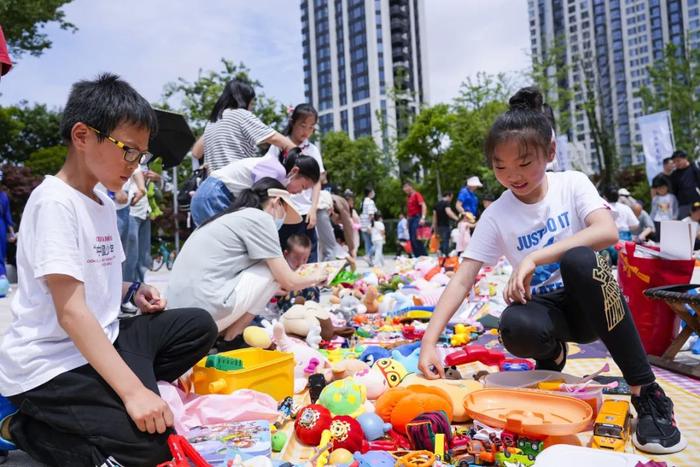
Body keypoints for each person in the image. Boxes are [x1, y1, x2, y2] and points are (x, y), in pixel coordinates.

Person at [418, 86, 686, 455]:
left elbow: (605, 231)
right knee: (512, 322)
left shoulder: (571, 183)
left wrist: (534, 258)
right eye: (500, 166)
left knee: (579, 259)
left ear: (550, 152)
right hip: (548, 313)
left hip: (594, 304)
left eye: (524, 163)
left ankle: (647, 392)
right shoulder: (496, 214)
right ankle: (553, 355)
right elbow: (463, 277)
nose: (513, 175)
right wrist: (428, 342)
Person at [0, 73, 218, 466]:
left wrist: (134, 291)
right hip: (51, 361)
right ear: (82, 136)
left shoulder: (101, 201)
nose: (135, 164)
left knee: (200, 325)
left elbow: (99, 279)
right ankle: (19, 425)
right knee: (152, 446)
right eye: (129, 150)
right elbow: (71, 311)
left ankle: (115, 394)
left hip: (106, 337)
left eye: (142, 155)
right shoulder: (54, 202)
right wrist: (133, 392)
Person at [167, 178, 326, 352]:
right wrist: (317, 277)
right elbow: (288, 281)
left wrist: (271, 287)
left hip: (180, 316)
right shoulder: (260, 218)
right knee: (273, 271)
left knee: (273, 274)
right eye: (284, 211)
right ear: (276, 201)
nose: (282, 219)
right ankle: (231, 338)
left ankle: (224, 335)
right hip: (204, 312)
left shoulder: (231, 216)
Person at [190, 147, 319, 226]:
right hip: (214, 196)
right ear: (295, 171)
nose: (299, 192)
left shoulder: (276, 170)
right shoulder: (277, 171)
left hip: (210, 194)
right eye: (303, 187)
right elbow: (259, 202)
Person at [192, 79, 296, 172]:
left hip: (212, 186)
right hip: (233, 185)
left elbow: (196, 153)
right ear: (244, 100)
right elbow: (277, 139)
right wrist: (302, 156)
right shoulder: (241, 114)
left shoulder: (213, 121)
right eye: (252, 102)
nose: (252, 107)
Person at [270, 104, 325, 263]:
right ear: (292, 122)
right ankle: (285, 286)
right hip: (284, 212)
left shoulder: (312, 150)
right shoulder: (279, 145)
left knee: (309, 253)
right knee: (282, 252)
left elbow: (317, 182)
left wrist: (313, 209)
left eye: (311, 127)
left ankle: (310, 287)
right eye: (302, 125)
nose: (306, 131)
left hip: (304, 211)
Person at [670, 150, 700, 219]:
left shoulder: (694, 167)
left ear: (685, 158)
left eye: (678, 160)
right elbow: (674, 190)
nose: (676, 163)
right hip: (683, 205)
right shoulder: (674, 174)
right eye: (674, 162)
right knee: (685, 225)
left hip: (696, 201)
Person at [403, 181, 428, 257]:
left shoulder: (416, 195)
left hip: (417, 218)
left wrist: (423, 218)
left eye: (406, 187)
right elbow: (409, 211)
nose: (404, 189)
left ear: (410, 187)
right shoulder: (408, 197)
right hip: (411, 219)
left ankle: (424, 256)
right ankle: (417, 257)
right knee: (412, 240)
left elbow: (423, 205)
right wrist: (407, 222)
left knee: (416, 238)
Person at [433, 191, 460, 256]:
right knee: (446, 242)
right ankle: (446, 258)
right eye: (451, 198)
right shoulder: (446, 203)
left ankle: (440, 255)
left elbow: (435, 218)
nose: (451, 200)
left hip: (439, 227)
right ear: (448, 196)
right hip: (445, 226)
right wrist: (458, 219)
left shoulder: (436, 204)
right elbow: (448, 212)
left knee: (441, 242)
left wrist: (435, 230)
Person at [0, 184, 16, 278]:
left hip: (1, 227)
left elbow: (7, 216)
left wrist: (12, 233)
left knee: (0, 256)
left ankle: (2, 280)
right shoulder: (3, 196)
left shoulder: (3, 196)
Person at [359, 188, 377, 264]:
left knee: (367, 243)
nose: (374, 193)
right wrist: (370, 225)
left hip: (362, 225)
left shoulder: (362, 201)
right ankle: (368, 255)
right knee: (376, 243)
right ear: (370, 193)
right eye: (373, 192)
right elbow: (371, 215)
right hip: (368, 225)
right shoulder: (370, 202)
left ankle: (370, 261)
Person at [344, 190, 361, 257]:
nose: (352, 202)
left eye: (352, 200)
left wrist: (353, 226)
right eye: (350, 200)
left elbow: (359, 223)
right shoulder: (342, 211)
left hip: (354, 234)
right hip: (345, 234)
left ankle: (352, 265)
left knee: (354, 250)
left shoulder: (353, 211)